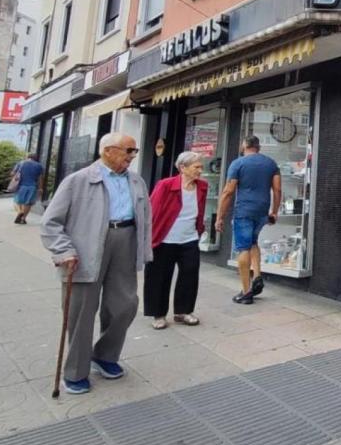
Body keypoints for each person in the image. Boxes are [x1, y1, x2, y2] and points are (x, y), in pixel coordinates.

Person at [40, 133, 151, 394]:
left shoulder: (137, 181)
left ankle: (104, 355)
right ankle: (75, 371)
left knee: (125, 305)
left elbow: (146, 218)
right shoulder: (78, 180)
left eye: (134, 151)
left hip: (126, 241)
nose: (132, 156)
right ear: (108, 151)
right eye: (128, 150)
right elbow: (50, 222)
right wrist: (64, 250)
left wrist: (144, 249)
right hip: (85, 248)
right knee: (81, 312)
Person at [145, 152, 208, 330]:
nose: (200, 170)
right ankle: (158, 314)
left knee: (189, 275)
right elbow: (151, 210)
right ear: (183, 168)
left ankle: (183, 311)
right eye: (196, 167)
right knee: (159, 277)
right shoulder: (165, 185)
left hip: (189, 238)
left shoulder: (202, 186)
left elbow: (200, 210)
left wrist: (199, 229)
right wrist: (149, 237)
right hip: (165, 239)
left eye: (201, 167)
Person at [216, 135, 281, 304]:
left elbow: (228, 191)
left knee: (243, 248)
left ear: (244, 145)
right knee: (253, 242)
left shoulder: (238, 163)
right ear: (258, 147)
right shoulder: (271, 163)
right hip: (262, 211)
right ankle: (257, 276)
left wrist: (220, 216)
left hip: (244, 211)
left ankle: (246, 292)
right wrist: (274, 211)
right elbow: (277, 189)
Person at [11, 153, 44, 224]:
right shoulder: (39, 166)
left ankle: (20, 211)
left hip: (21, 186)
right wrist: (40, 188)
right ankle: (23, 219)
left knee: (17, 201)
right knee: (28, 203)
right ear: (35, 158)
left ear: (27, 157)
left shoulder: (20, 163)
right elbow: (40, 178)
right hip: (32, 187)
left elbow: (13, 173)